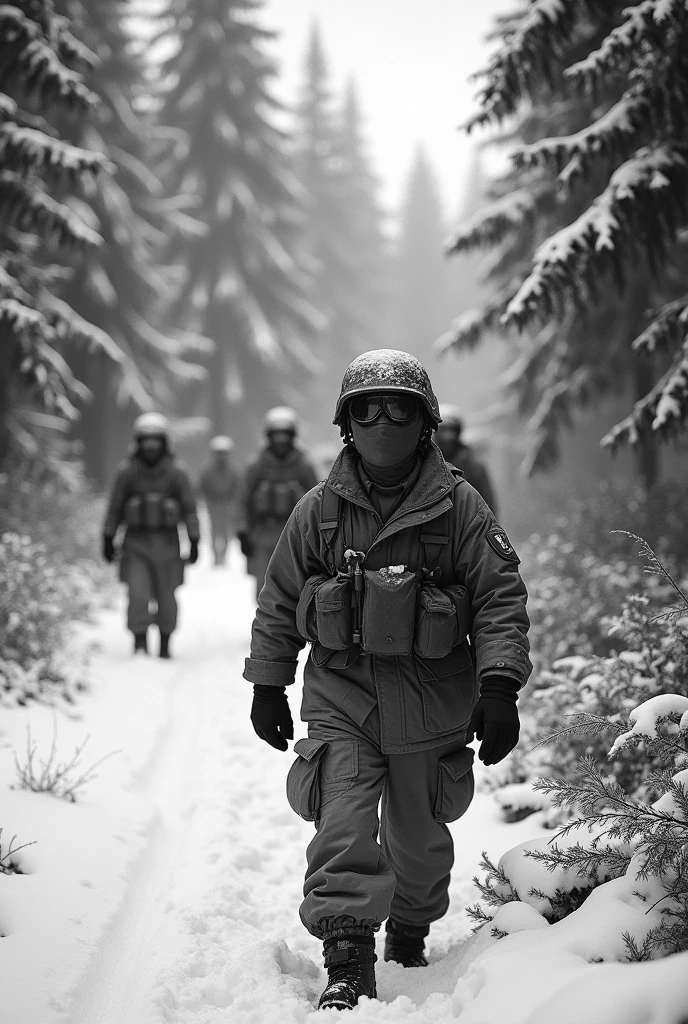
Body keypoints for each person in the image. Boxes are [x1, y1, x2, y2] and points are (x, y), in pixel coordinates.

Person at [243, 350, 531, 1011]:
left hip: (433, 703)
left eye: (398, 408)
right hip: (342, 695)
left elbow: (498, 597)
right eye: (366, 410)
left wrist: (499, 684)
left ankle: (410, 924)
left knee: (419, 839)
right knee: (341, 820)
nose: (381, 422)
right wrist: (267, 682)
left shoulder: (460, 508)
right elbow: (280, 599)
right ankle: (347, 955)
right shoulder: (317, 511)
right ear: (345, 424)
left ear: (424, 423)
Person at [102, 412, 200, 659]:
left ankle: (165, 643)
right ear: (138, 442)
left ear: (164, 442)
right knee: (138, 594)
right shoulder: (127, 472)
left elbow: (189, 508)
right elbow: (115, 507)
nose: (151, 445)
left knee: (167, 596)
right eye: (146, 440)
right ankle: (139, 642)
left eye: (155, 440)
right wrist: (107, 536)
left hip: (168, 543)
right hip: (136, 543)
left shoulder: (177, 472)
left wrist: (195, 538)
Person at [236, 407, 318, 597]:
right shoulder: (256, 466)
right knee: (264, 591)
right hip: (263, 534)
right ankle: (269, 626)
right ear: (269, 436)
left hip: (296, 536)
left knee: (296, 588)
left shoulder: (304, 466)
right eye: (276, 435)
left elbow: (319, 501)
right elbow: (243, 500)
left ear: (293, 436)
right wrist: (242, 532)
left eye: (285, 435)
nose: (281, 441)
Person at [435, 404, 499, 517]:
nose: (448, 436)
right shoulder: (426, 465)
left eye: (452, 430)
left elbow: (488, 507)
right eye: (443, 430)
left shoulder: (474, 467)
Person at [199, 435, 240, 566]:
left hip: (227, 505)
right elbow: (202, 487)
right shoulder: (207, 471)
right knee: (214, 532)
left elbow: (238, 488)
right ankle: (216, 557)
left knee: (226, 532)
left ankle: (223, 557)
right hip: (213, 505)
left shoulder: (233, 471)